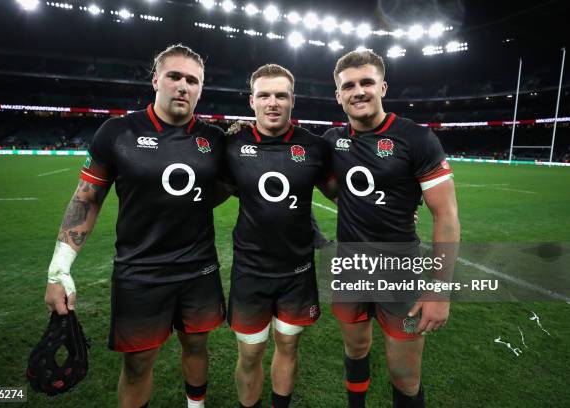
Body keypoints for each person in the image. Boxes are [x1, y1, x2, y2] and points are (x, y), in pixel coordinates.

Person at [44, 44, 227, 408]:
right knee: (138, 364)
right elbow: (87, 198)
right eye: (174, 76)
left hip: (200, 270)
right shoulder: (117, 132)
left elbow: (223, 190)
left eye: (193, 80)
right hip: (140, 272)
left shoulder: (215, 140)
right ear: (156, 79)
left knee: (197, 346)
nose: (182, 86)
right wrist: (59, 268)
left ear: (201, 89)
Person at [322, 50, 460, 407]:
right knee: (355, 350)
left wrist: (441, 290)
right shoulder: (331, 140)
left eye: (366, 82)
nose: (359, 91)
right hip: (350, 269)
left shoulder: (415, 138)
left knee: (405, 375)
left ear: (382, 86)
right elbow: (329, 185)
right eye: (348, 85)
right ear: (338, 95)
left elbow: (446, 216)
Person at [222, 64, 334, 408]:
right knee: (251, 353)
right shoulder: (231, 144)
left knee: (288, 346)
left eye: (281, 95)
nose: (273, 102)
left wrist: (401, 204)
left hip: (297, 272)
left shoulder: (314, 147)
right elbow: (204, 190)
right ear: (252, 101)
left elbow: (344, 194)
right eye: (265, 95)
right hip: (250, 271)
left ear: (292, 101)